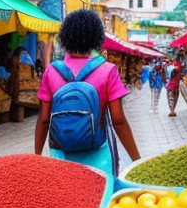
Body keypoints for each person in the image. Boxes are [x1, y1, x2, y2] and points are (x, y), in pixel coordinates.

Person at [35, 9, 141, 175]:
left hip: (61, 156)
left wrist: (36, 158)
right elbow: (118, 120)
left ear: (65, 38)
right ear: (97, 37)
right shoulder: (107, 70)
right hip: (98, 156)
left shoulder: (51, 71)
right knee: (100, 198)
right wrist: (137, 159)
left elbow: (43, 120)